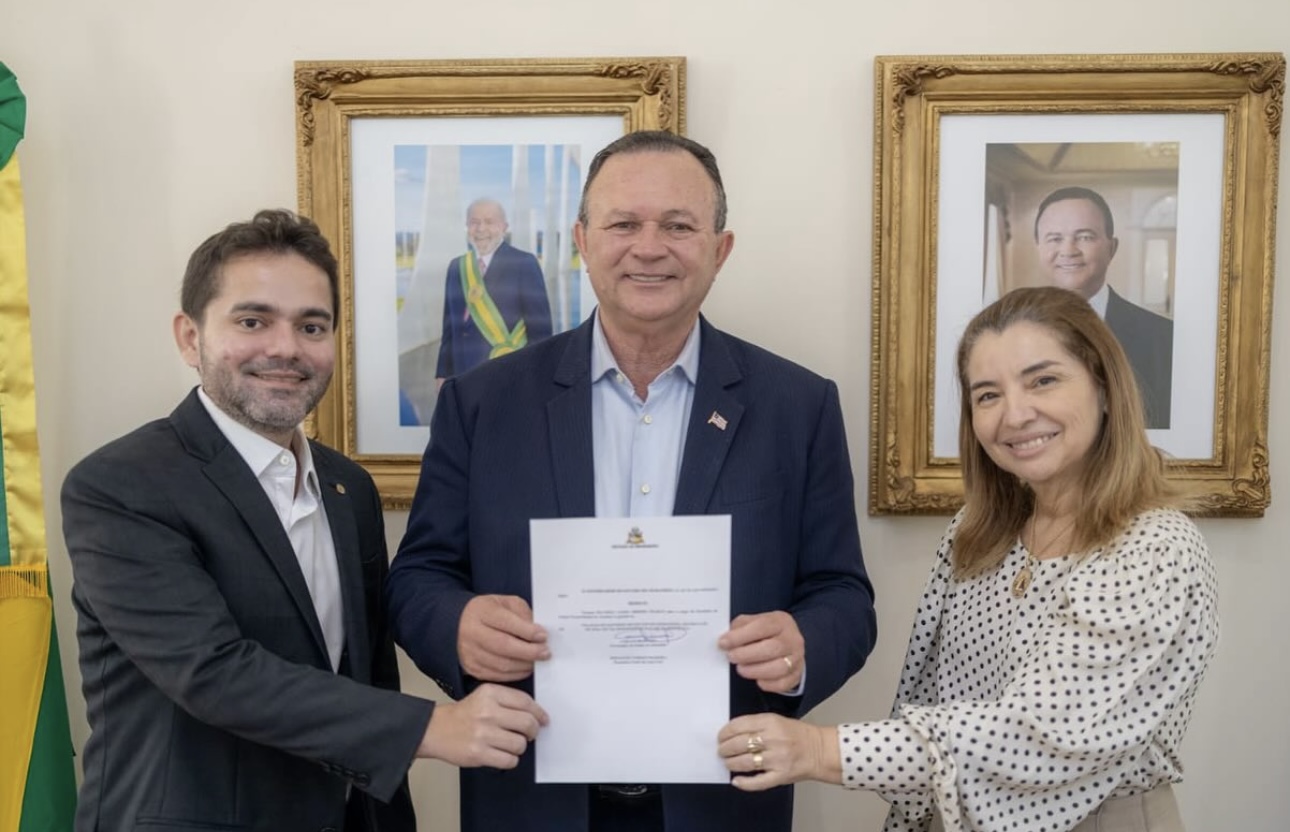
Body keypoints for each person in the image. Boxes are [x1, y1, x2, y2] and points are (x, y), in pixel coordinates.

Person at [386, 131, 878, 832]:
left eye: (679, 226)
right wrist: (456, 627)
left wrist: (802, 646)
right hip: (529, 797)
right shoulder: (482, 402)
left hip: (725, 802)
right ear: (582, 241)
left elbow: (844, 597)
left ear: (720, 249)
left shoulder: (797, 406)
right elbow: (418, 578)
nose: (649, 247)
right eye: (624, 224)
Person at [62, 209, 549, 832]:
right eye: (252, 320)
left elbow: (364, 673)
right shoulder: (121, 485)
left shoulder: (350, 489)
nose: (285, 348)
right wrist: (433, 725)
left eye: (311, 326)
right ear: (190, 337)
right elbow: (212, 671)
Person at [717, 286, 1218, 832]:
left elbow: (1036, 734)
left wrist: (818, 750)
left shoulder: (1155, 548)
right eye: (987, 395)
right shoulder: (977, 533)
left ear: (1103, 387)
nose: (1015, 414)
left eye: (1042, 380)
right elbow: (926, 698)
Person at [1033, 186, 1173, 428]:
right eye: (1055, 238)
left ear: (1112, 248)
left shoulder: (1164, 336)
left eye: (1085, 237)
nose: (1068, 251)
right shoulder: (1011, 331)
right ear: (1039, 248)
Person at [435, 197, 554, 382]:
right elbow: (449, 328)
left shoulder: (523, 263)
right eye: (474, 222)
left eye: (489, 222)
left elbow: (541, 331)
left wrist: (534, 377)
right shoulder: (456, 267)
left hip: (507, 374)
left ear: (504, 227)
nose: (481, 229)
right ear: (467, 226)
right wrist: (442, 373)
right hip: (460, 376)